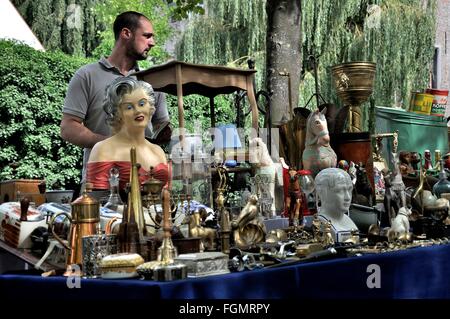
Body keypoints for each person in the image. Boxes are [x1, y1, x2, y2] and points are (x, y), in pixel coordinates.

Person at [61, 11, 170, 184]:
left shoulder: (151, 79)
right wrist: (115, 144)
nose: (152, 42)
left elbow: (161, 126)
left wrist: (171, 137)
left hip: (146, 183)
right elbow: (68, 128)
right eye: (147, 36)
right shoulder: (87, 75)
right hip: (100, 181)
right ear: (126, 34)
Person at [86, 77, 168, 191]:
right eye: (129, 107)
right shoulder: (103, 149)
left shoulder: (158, 151)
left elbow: (168, 197)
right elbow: (98, 202)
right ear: (117, 113)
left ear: (150, 107)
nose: (138, 110)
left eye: (142, 103)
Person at [315, 168, 358, 243]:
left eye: (349, 190)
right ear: (323, 193)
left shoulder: (348, 220)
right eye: (340, 191)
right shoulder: (322, 223)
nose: (348, 197)